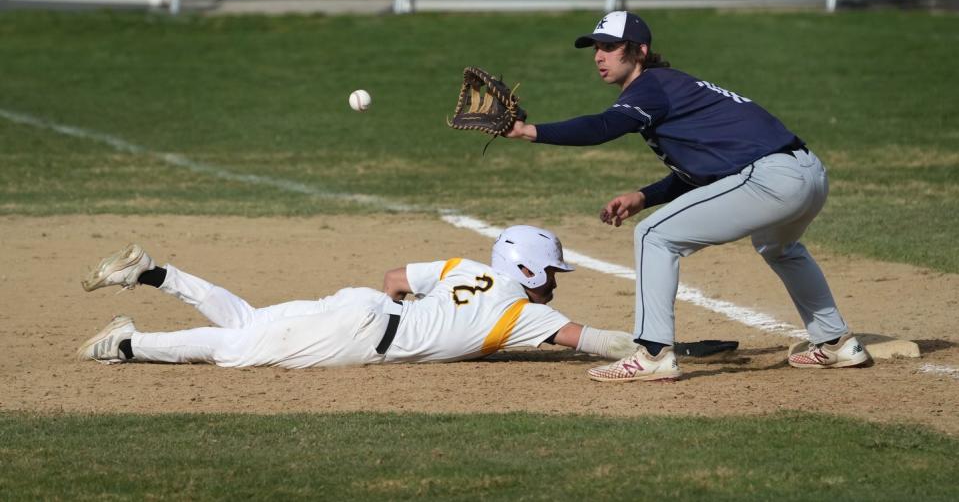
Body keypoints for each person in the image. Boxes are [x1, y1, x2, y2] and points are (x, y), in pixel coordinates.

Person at [504, 11, 870, 381]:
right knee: (780, 248)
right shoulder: (670, 88)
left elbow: (603, 126)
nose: (599, 56)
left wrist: (527, 131)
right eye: (596, 47)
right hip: (807, 173)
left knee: (653, 236)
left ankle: (652, 354)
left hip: (772, 178)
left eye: (611, 47)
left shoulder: (650, 87)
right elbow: (703, 173)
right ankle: (836, 342)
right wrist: (644, 196)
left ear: (640, 50)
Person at [76, 225, 663, 373]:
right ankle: (126, 343)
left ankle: (154, 274)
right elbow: (583, 340)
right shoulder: (524, 314)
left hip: (362, 306)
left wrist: (409, 316)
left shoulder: (464, 267)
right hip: (356, 337)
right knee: (237, 349)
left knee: (250, 320)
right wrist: (646, 345)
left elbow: (393, 277)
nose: (556, 281)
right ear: (529, 269)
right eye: (552, 271)